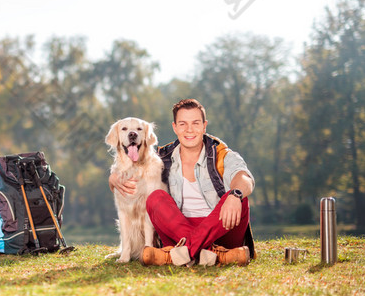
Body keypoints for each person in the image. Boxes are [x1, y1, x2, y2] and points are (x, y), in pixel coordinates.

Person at [109, 98, 255, 266]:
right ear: (175, 127)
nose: (189, 130)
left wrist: (235, 194)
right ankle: (218, 256)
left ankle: (172, 256)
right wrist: (113, 178)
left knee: (240, 199)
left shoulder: (222, 153)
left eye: (195, 123)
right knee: (155, 198)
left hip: (219, 226)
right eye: (183, 124)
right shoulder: (162, 158)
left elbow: (244, 178)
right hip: (177, 228)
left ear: (204, 125)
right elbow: (133, 168)